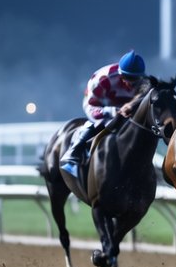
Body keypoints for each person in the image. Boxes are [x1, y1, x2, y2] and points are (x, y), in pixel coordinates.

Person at [60, 49, 147, 177]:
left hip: (126, 107)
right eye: (129, 78)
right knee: (102, 122)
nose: (133, 83)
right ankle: (74, 153)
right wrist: (112, 111)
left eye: (136, 79)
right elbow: (91, 105)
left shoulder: (144, 82)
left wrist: (130, 107)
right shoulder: (103, 79)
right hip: (99, 104)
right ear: (121, 75)